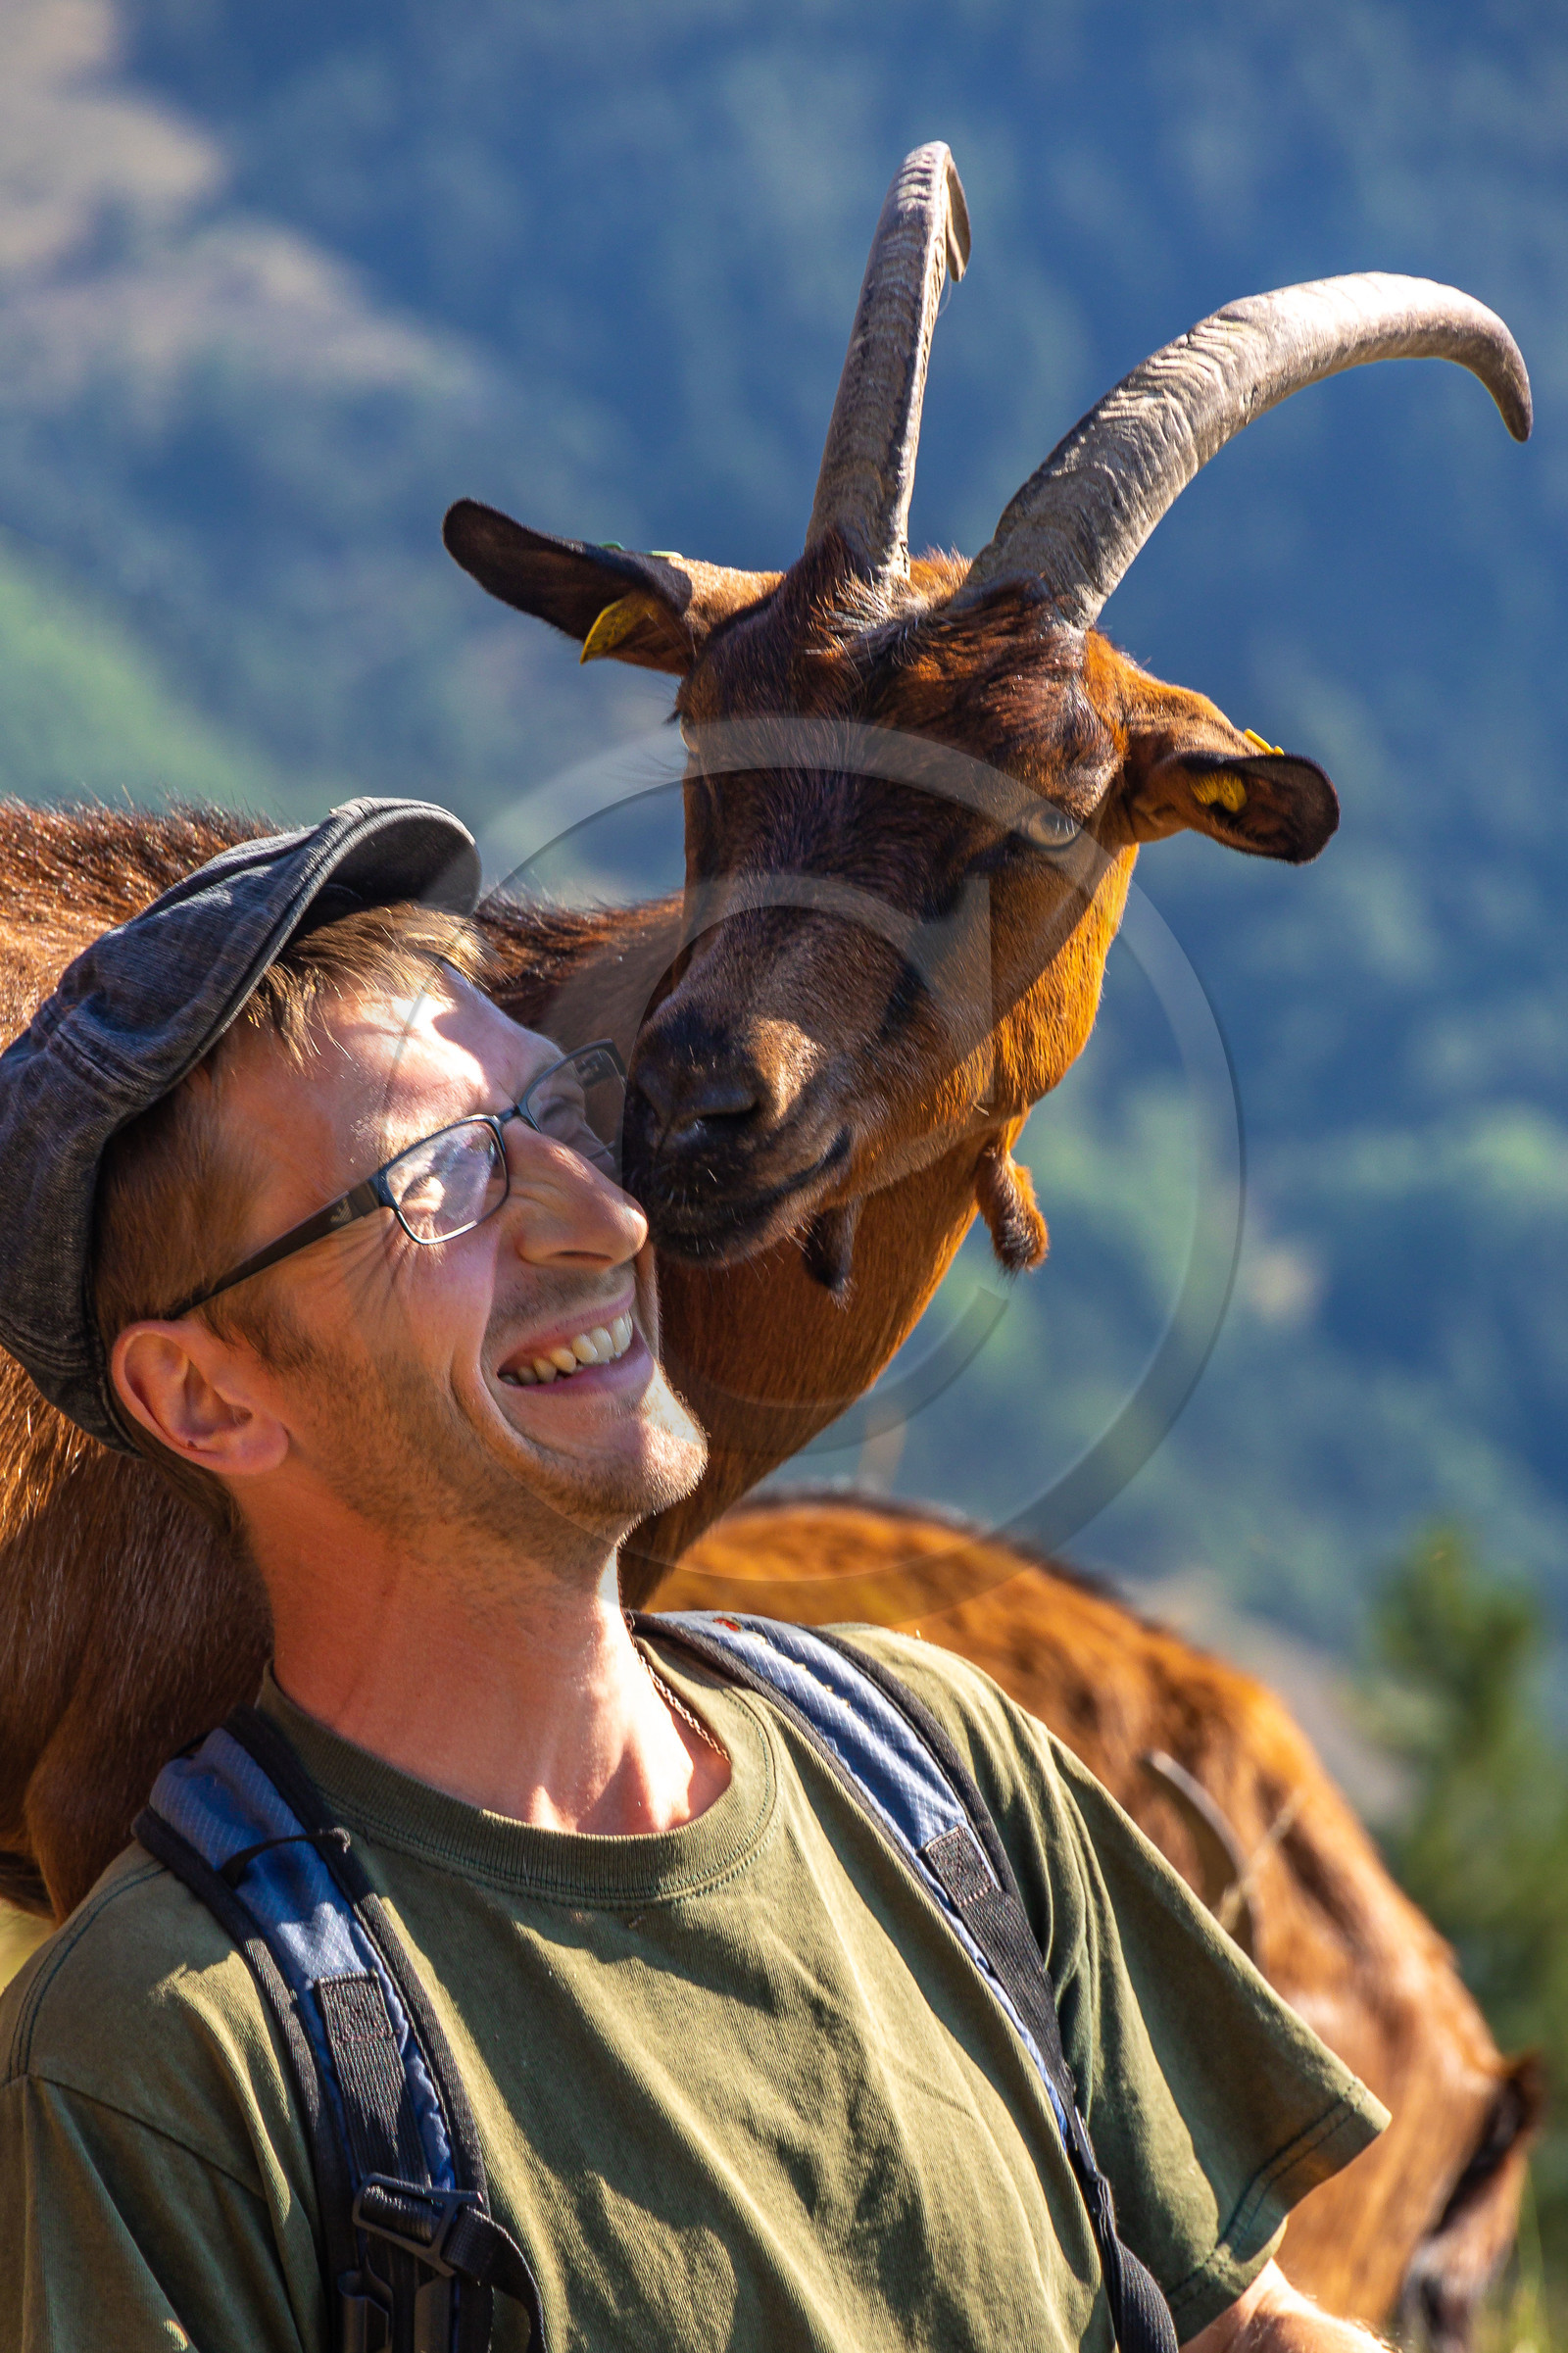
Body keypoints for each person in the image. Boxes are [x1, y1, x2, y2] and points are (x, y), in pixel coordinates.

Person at [0, 800, 1387, 2352]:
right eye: (445, 1177)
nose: (605, 1214)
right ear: (207, 1395)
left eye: (564, 1109)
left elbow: (1242, 2330)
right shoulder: (167, 2065)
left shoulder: (940, 1772)